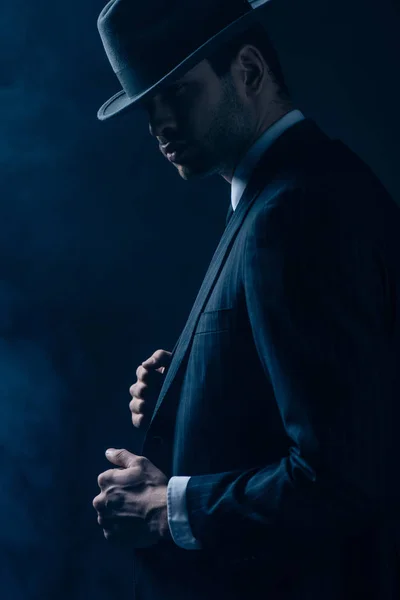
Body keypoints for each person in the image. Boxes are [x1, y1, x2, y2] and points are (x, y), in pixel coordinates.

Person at [92, 1, 400, 598]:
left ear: (251, 70)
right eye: (147, 106)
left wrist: (167, 506)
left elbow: (345, 477)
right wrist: (190, 400)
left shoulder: (296, 212)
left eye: (177, 93)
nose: (160, 124)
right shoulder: (286, 193)